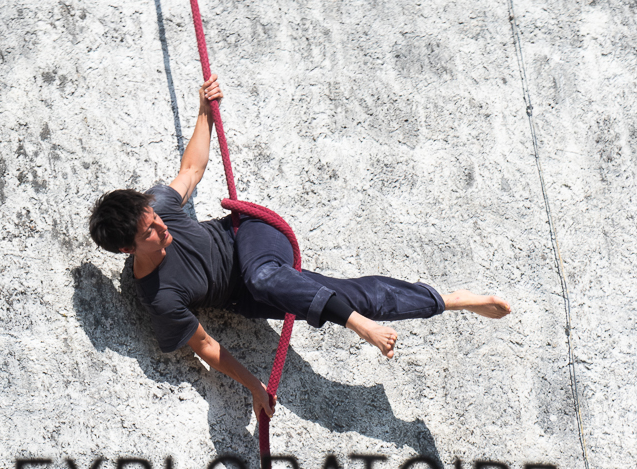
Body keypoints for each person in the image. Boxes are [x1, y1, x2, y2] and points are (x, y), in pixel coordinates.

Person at [87, 75, 511, 418]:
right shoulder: (159, 298)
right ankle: (450, 300)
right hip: (250, 293)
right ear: (128, 250)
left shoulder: (158, 207)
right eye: (149, 233)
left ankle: (357, 325)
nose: (161, 227)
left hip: (251, 237)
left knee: (265, 275)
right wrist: (253, 385)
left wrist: (205, 110)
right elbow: (206, 347)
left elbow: (192, 168)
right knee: (352, 296)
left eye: (156, 219)